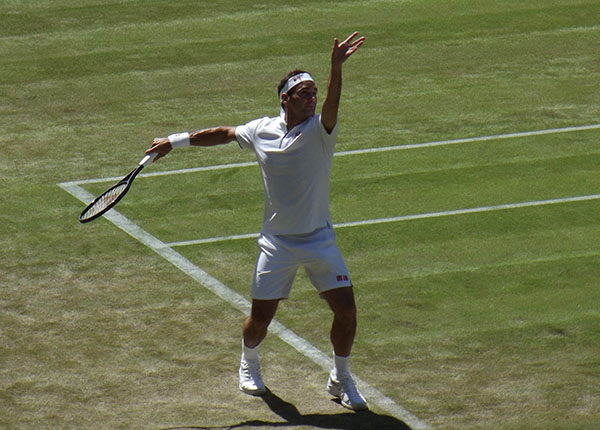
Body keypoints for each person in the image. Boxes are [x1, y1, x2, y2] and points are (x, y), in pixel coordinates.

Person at [146, 32, 367, 410]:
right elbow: (224, 134)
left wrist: (335, 68)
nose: (313, 97)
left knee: (346, 310)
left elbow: (333, 101)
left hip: (319, 241)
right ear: (286, 99)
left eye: (315, 91)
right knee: (260, 319)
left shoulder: (321, 130)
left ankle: (340, 378)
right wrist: (175, 140)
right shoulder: (261, 130)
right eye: (305, 93)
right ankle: (248, 363)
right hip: (277, 243)